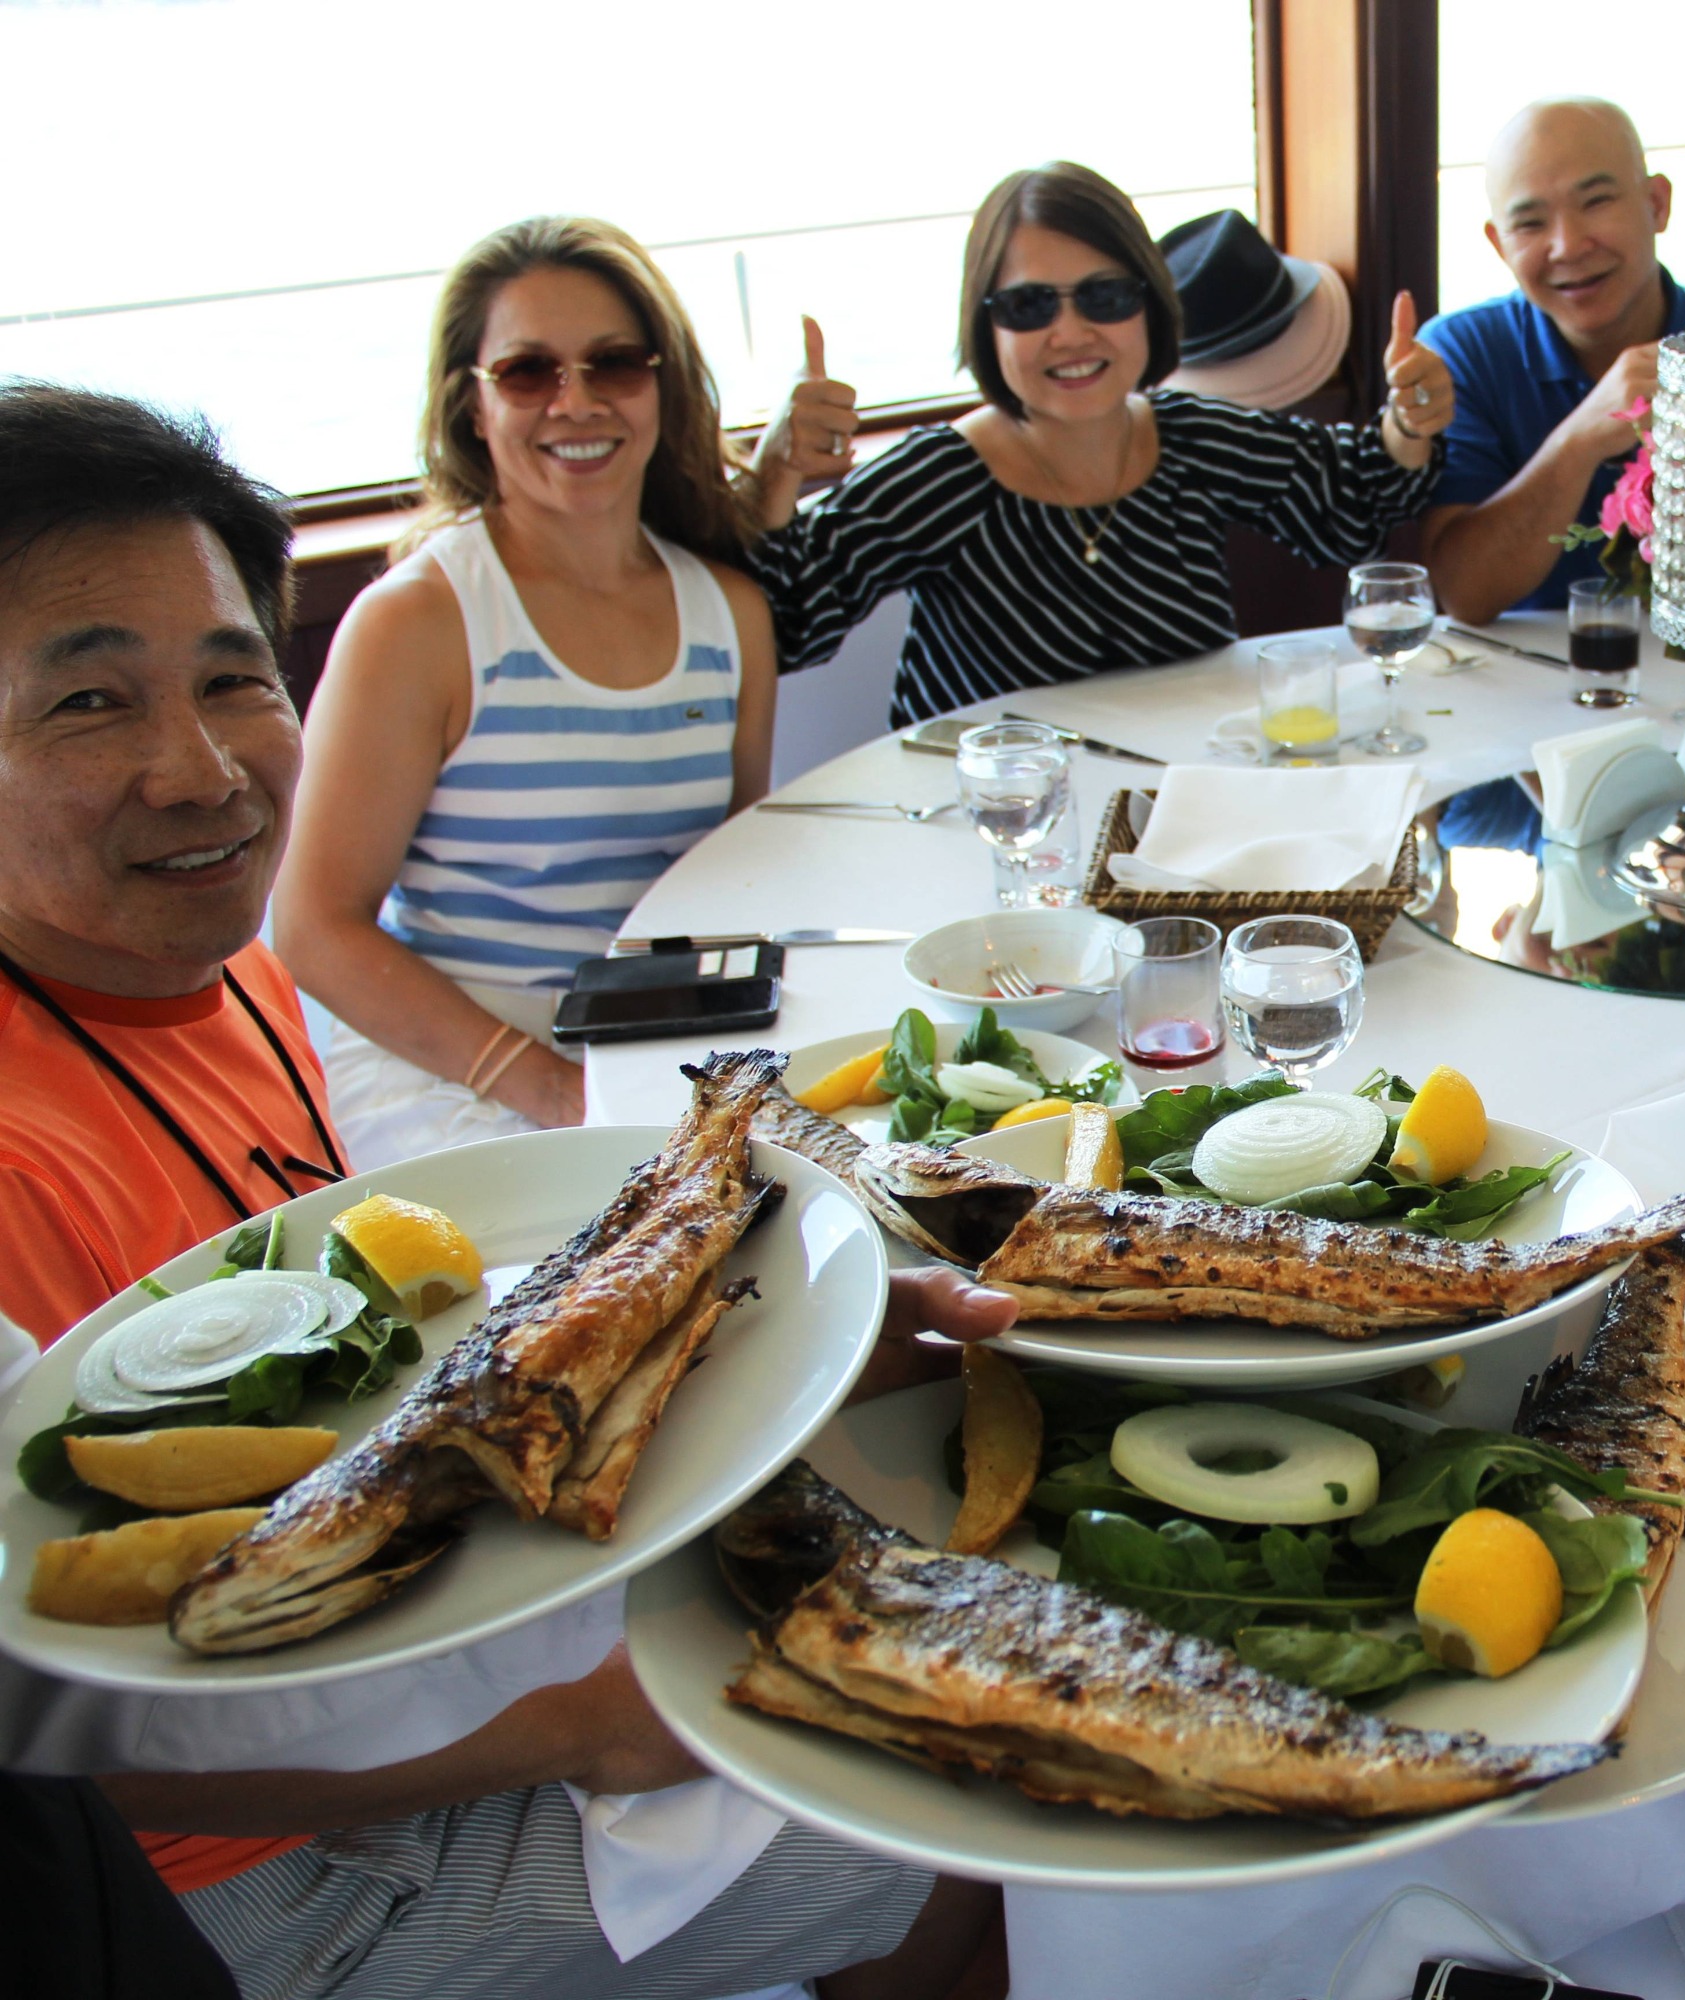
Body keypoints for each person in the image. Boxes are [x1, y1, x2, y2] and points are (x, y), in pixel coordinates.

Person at [0, 381, 1009, 1997]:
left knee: (960, 1514)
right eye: (86, 704)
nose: (198, 772)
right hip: (258, 1880)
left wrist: (805, 1346)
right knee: (980, 1786)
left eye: (230, 676)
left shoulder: (222, 979)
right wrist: (580, 1727)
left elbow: (400, 1391)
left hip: (426, 1649)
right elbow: (67, 1751)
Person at [270, 218, 780, 1171]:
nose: (575, 401)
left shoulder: (732, 616)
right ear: (473, 403)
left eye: (614, 364)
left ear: (661, 386)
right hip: (454, 1068)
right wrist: (547, 1085)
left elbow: (732, 884)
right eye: (528, 371)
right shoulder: (421, 621)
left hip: (654, 1051)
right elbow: (313, 927)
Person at [745, 160, 1455, 724]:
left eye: (1105, 296)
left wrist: (1408, 421)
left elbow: (1349, 503)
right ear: (986, 328)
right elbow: (781, 626)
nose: (1072, 332)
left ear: (1150, 305)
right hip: (995, 835)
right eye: (1029, 306)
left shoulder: (1190, 437)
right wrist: (775, 472)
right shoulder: (942, 477)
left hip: (1169, 828)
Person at [1415, 97, 1685, 624]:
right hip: (1520, 689)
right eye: (1530, 223)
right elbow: (1466, 595)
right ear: (1498, 243)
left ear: (1656, 204)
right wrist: (1581, 438)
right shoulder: (1463, 350)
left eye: (1597, 201)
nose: (1568, 245)